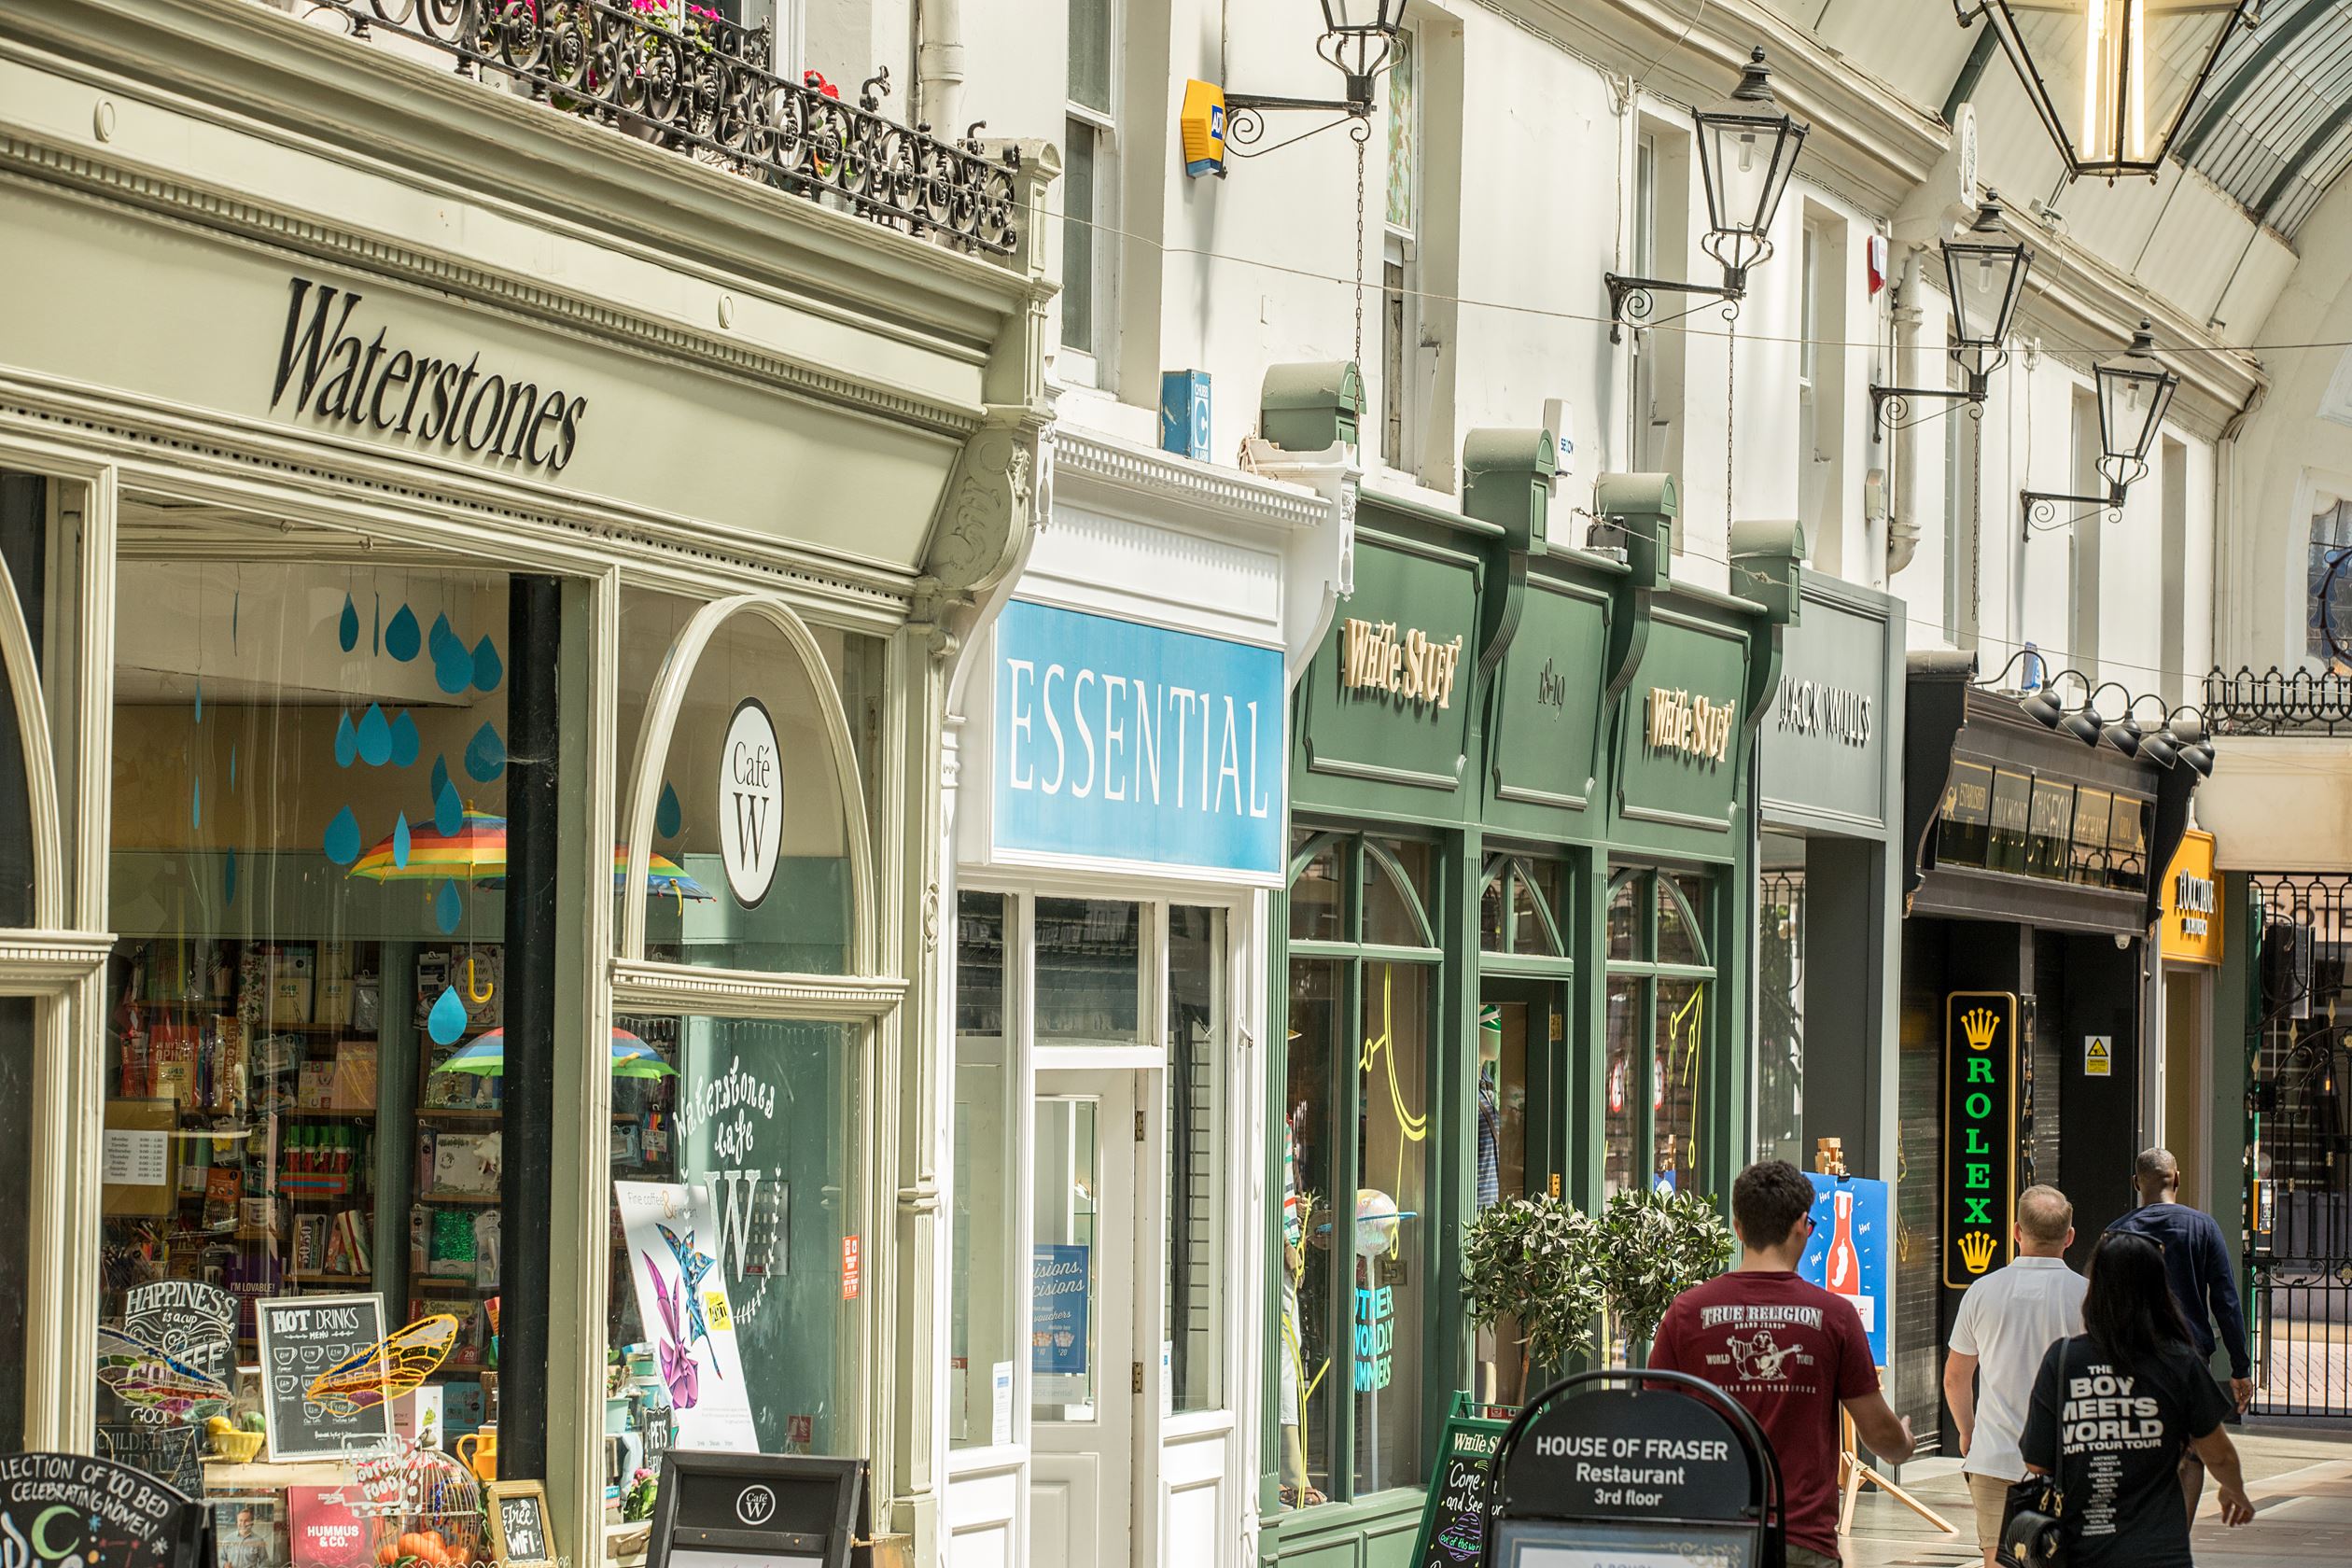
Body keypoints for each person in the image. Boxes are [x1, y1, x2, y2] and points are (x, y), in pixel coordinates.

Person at [1650, 1160, 1913, 1568]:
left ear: (1738, 1227)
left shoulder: (1686, 1313)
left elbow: (1657, 1426)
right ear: (1801, 1227)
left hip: (1711, 1538)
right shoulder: (1836, 1317)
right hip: (1801, 1540)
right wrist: (1905, 1442)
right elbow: (1880, 1435)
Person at [2020, 1231, 2256, 1566]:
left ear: (2095, 1290)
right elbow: (2218, 1455)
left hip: (2081, 1550)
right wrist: (2234, 1488)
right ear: (2159, 1290)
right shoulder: (2180, 1361)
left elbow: (2036, 1462)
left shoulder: (2063, 1360)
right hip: (2158, 1552)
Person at [1942, 1185, 2088, 1568]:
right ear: (2069, 1237)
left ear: (2016, 1232)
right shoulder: (2088, 1296)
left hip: (1994, 1456)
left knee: (1998, 1560)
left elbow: (1956, 1378)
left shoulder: (1981, 1292)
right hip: (2068, 1462)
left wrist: (1968, 1432)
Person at [2106, 1146, 2254, 1518]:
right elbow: (2226, 1301)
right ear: (2178, 1178)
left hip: (2132, 1355)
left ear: (2135, 1183)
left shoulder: (2117, 1232)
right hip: (2189, 1356)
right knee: (2190, 1449)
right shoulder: (2203, 1227)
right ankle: (2178, 1535)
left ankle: (2138, 1528)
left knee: (2133, 1444)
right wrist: (2240, 1367)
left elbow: (2102, 1303)